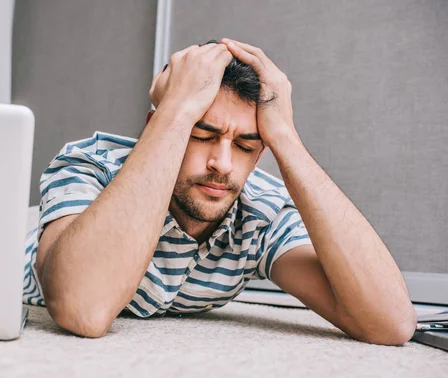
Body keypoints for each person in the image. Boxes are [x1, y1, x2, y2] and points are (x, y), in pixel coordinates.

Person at [23, 38, 416, 344]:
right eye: (201, 134)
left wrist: (284, 138)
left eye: (246, 146)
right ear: (161, 125)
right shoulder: (90, 164)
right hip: (16, 252)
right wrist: (176, 111)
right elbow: (81, 310)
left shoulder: (261, 211)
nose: (223, 164)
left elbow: (391, 323)